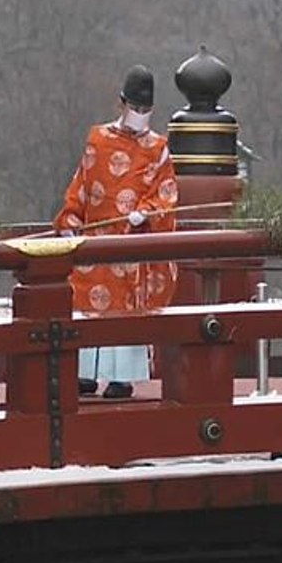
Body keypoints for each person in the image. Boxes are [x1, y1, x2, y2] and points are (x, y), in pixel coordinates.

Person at [52, 65, 179, 399]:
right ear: (121, 103)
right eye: (135, 108)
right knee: (85, 301)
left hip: (130, 245)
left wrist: (147, 213)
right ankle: (85, 373)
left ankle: (122, 377)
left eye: (145, 110)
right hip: (94, 245)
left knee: (125, 305)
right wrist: (70, 221)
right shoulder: (98, 140)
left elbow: (166, 194)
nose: (139, 115)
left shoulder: (158, 148)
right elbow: (80, 186)